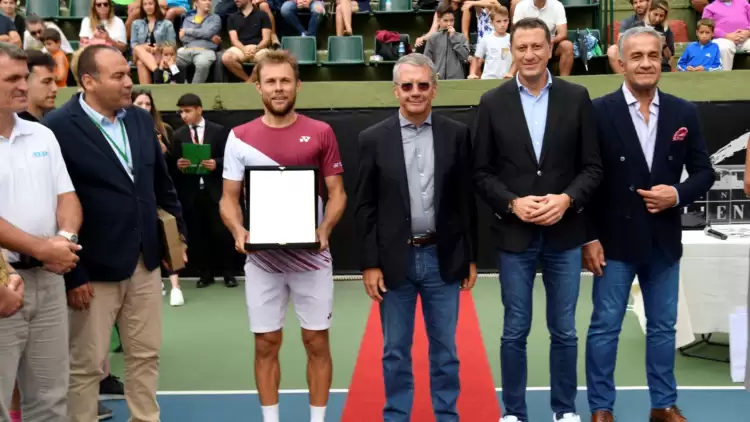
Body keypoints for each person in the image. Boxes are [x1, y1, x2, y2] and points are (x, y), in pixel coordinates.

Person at [42, 44, 187, 422]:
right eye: (119, 76)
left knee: (145, 355)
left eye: (128, 73)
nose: (130, 82)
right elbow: (52, 208)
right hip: (92, 271)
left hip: (145, 262)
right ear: (88, 81)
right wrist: (74, 273)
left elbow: (162, 186)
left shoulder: (140, 121)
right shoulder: (56, 128)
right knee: (86, 366)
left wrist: (178, 238)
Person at [472, 17, 603, 422]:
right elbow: (481, 172)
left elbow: (593, 167)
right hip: (514, 236)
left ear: (550, 49)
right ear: (511, 50)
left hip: (565, 235)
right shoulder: (492, 102)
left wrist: (567, 200)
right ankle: (513, 412)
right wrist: (512, 204)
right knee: (515, 330)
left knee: (564, 330)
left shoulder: (577, 96)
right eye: (521, 47)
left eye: (536, 47)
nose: (529, 54)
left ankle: (564, 411)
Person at [585, 26, 715, 422]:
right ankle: (601, 408)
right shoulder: (597, 111)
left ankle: (663, 404)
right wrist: (589, 236)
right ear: (621, 62)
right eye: (636, 56)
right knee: (605, 327)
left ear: (663, 60)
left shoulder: (683, 112)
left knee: (663, 328)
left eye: (652, 55)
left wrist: (676, 194)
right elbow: (586, 178)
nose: (645, 63)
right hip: (613, 240)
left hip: (663, 240)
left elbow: (704, 172)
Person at [220, 49, 347, 422]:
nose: (278, 88)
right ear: (257, 86)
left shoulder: (321, 132)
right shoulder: (239, 137)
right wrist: (238, 229)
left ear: (298, 85)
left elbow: (337, 192)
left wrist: (324, 230)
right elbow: (228, 199)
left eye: (285, 81)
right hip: (262, 261)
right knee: (266, 344)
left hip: (312, 258)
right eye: (271, 81)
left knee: (316, 342)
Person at [354, 52, 478, 422]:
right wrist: (369, 264)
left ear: (434, 90)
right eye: (407, 86)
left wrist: (470, 256)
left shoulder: (457, 135)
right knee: (395, 350)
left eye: (423, 85)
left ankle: (446, 415)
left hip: (443, 258)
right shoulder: (372, 139)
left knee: (446, 350)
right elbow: (365, 207)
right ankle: (396, 415)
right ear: (396, 91)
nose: (415, 92)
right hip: (395, 262)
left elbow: (465, 201)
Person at [0, 42, 83, 422]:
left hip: (49, 282)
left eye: (24, 77)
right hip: (5, 280)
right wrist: (42, 248)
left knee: (51, 402)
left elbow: (67, 196)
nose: (23, 86)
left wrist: (63, 241)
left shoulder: (42, 136)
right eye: (12, 78)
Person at [172, 93, 236, 289]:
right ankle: (204, 274)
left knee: (221, 233)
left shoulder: (218, 131)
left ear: (199, 109)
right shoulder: (178, 135)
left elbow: (230, 159)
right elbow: (172, 166)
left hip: (214, 191)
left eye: (188, 111)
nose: (184, 115)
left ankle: (228, 273)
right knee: (197, 236)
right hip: (191, 193)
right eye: (181, 111)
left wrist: (215, 163)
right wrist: (179, 165)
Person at [512, 0, 573, 76]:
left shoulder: (557, 5)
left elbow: (563, 33)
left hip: (551, 44)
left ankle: (564, 80)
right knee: (519, 46)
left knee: (567, 46)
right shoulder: (521, 6)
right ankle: (511, 75)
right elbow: (516, 33)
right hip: (527, 44)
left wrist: (549, 42)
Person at [222, 0, 272, 82]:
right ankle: (248, 81)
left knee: (266, 59)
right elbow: (234, 40)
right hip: (240, 48)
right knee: (226, 58)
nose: (235, 0)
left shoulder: (262, 15)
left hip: (259, 48)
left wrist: (256, 49)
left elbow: (266, 39)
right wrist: (244, 49)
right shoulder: (232, 17)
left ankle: (249, 83)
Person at [423, 3, 470, 80]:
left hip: (456, 79)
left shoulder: (460, 37)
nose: (449, 24)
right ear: (439, 20)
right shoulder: (433, 38)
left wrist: (454, 38)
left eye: (452, 20)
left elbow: (465, 56)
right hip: (438, 79)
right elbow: (427, 59)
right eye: (445, 20)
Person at [701, 0, 750, 71]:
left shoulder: (744, 3)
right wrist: (726, 35)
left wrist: (748, 32)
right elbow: (706, 27)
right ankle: (725, 76)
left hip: (745, 38)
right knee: (724, 48)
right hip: (723, 39)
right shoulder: (710, 8)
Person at [607, 0, 649, 73]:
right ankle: (623, 79)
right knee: (612, 50)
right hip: (632, 51)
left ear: (649, 2)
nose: (638, 5)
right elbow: (620, 42)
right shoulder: (628, 22)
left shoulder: (656, 18)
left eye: (641, 1)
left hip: (650, 50)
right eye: (635, 3)